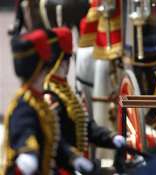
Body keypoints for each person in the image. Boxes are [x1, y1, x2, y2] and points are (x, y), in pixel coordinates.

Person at [3, 29, 94, 174]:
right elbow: (24, 132)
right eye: (44, 69)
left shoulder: (39, 103)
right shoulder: (25, 106)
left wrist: (72, 157)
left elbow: (53, 142)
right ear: (37, 72)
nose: (46, 72)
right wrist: (28, 152)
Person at [43, 27, 125, 161]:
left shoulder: (64, 89)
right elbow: (54, 140)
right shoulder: (49, 95)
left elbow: (85, 126)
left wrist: (111, 137)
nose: (67, 65)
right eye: (65, 60)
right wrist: (73, 160)